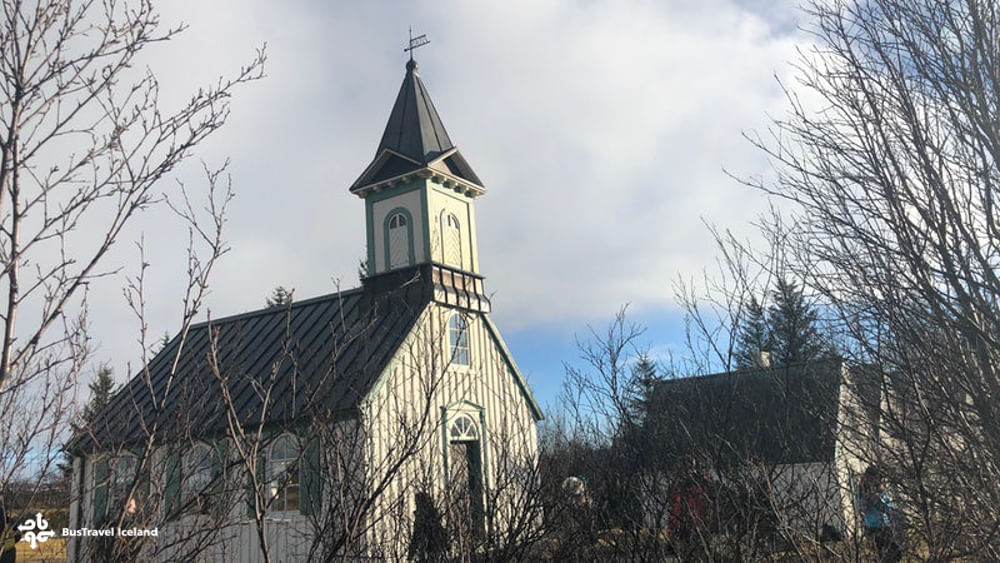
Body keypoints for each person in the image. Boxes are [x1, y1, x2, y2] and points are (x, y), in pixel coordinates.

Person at [857, 465, 901, 563]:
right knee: (883, 554)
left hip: (886, 524)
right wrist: (869, 497)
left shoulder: (881, 489)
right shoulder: (863, 490)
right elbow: (862, 508)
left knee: (895, 553)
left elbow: (888, 504)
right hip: (874, 526)